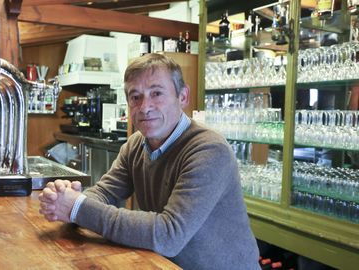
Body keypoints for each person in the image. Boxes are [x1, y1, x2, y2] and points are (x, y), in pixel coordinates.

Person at [39, 54, 260, 269]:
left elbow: (168, 234)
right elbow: (105, 193)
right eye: (136, 97)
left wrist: (77, 207)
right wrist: (68, 199)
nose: (144, 107)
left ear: (182, 97)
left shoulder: (209, 149)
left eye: (156, 93)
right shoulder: (136, 144)